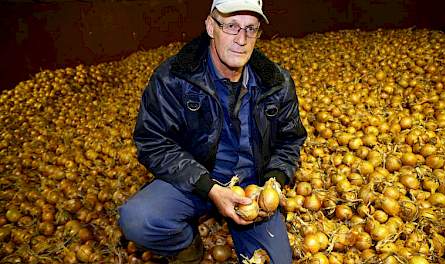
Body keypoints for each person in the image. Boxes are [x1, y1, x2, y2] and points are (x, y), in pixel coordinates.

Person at [118, 0, 306, 263]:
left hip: (251, 188)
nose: (242, 39)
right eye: (231, 26)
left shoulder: (276, 83)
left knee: (277, 261)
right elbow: (153, 141)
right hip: (197, 180)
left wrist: (272, 183)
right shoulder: (174, 78)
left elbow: (291, 140)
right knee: (138, 220)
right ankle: (187, 247)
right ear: (210, 26)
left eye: (250, 28)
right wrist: (209, 188)